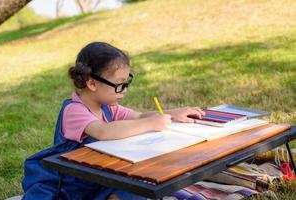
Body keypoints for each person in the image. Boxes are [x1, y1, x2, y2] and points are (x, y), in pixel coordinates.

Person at [22, 42, 204, 200]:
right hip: (70, 187)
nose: (124, 90)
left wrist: (173, 113)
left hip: (99, 179)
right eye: (119, 84)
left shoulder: (107, 107)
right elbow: (104, 132)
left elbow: (139, 116)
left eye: (127, 82)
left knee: (141, 184)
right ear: (92, 83)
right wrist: (150, 124)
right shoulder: (74, 110)